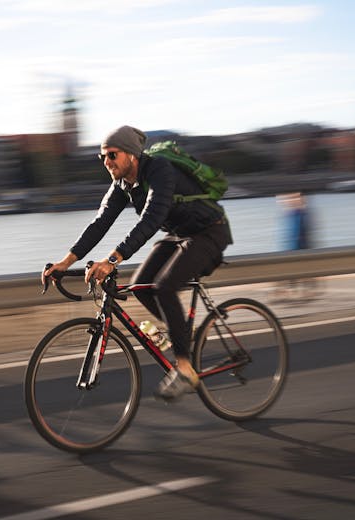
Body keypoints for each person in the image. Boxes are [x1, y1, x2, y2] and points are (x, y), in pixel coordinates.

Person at [42, 125, 233, 401]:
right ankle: (180, 335)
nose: (107, 162)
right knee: (141, 286)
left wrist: (112, 259)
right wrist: (66, 260)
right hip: (179, 234)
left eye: (112, 155)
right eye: (102, 157)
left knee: (165, 287)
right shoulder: (122, 184)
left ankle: (185, 369)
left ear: (131, 155)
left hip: (208, 231)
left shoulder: (160, 170)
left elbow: (152, 219)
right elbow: (101, 222)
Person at [275, 191, 317, 300]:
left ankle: (302, 290)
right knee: (293, 271)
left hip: (300, 247)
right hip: (293, 247)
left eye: (296, 198)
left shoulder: (301, 213)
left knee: (300, 271)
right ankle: (288, 291)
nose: (291, 201)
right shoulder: (293, 213)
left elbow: (302, 231)